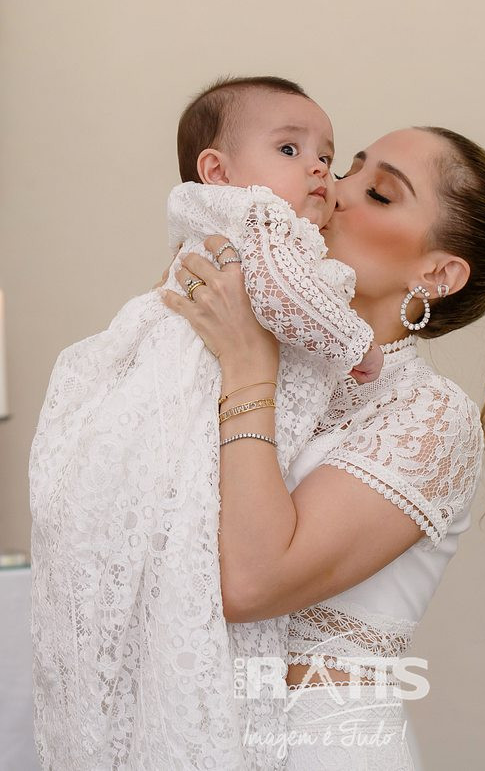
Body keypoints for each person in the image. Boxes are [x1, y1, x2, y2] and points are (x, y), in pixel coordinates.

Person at [163, 124, 485, 768]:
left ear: (437, 273)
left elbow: (250, 584)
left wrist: (247, 367)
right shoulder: (262, 353)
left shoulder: (430, 418)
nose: (333, 187)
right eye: (348, 168)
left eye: (379, 193)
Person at [28, 76, 384, 771]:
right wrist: (355, 344)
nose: (321, 170)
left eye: (327, 155)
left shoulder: (214, 221)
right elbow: (285, 294)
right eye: (290, 149)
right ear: (218, 171)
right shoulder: (261, 222)